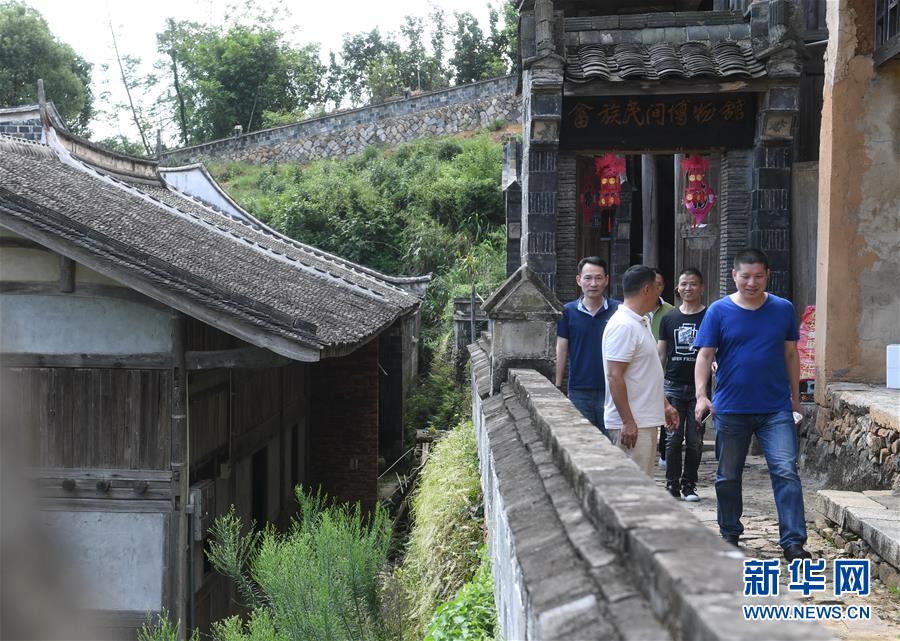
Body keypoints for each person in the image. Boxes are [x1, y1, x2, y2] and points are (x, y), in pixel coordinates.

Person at [693, 248, 811, 562]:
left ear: (767, 276)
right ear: (734, 276)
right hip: (731, 407)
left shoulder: (782, 309)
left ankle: (793, 542)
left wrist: (796, 400)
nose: (751, 282)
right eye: (745, 276)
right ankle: (729, 531)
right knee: (728, 475)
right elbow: (704, 355)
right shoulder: (718, 311)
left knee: (786, 471)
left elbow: (790, 354)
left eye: (758, 276)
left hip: (775, 408)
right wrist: (702, 396)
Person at [603, 265, 679, 475]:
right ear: (647, 289)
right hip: (632, 423)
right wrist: (627, 421)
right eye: (656, 287)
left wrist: (664, 404)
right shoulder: (624, 326)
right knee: (635, 490)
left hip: (643, 419)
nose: (659, 292)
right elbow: (614, 376)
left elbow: (644, 373)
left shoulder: (640, 322)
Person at [657, 268, 707, 502]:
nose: (688, 288)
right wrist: (657, 383)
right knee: (673, 438)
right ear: (677, 288)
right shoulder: (669, 318)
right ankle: (672, 484)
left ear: (701, 287)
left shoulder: (709, 317)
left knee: (695, 440)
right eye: (684, 284)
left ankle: (689, 484)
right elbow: (661, 354)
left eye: (693, 284)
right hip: (673, 385)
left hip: (700, 389)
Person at [556, 257, 620, 437]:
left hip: (612, 389)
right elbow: (561, 348)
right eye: (588, 278)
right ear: (579, 280)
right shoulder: (567, 312)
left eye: (598, 278)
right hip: (579, 389)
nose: (593, 283)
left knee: (612, 446)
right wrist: (558, 384)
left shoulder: (618, 311)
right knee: (583, 441)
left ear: (606, 280)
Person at [649, 268, 675, 466]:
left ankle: (665, 453)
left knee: (666, 411)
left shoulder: (671, 312)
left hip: (664, 372)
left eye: (659, 285)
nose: (654, 289)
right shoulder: (630, 311)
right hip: (640, 372)